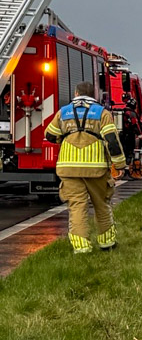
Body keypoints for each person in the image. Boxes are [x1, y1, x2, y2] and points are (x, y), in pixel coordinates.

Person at [43, 81, 126, 254]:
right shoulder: (102, 113)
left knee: (77, 208)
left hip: (69, 169)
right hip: (95, 169)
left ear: (75, 93)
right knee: (101, 205)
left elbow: (50, 135)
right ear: (93, 94)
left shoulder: (63, 112)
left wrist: (66, 138)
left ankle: (82, 248)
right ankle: (107, 243)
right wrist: (119, 164)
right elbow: (112, 141)